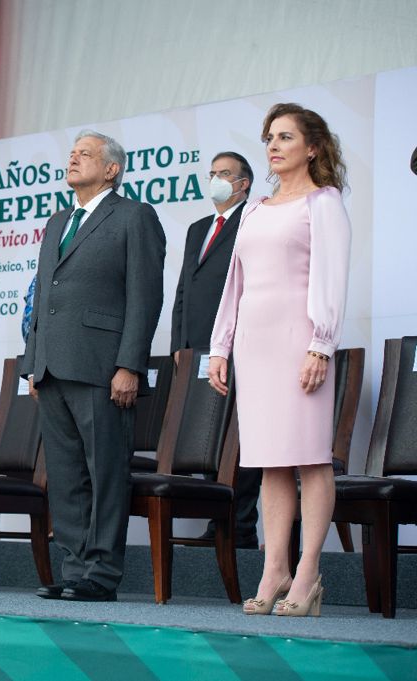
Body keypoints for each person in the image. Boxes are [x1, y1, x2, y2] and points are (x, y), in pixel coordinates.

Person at [209, 103, 350, 617]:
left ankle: (308, 571)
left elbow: (331, 278)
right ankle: (275, 569)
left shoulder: (324, 202)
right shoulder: (254, 207)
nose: (273, 145)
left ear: (312, 147)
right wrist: (221, 346)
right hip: (255, 345)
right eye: (269, 137)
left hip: (300, 342)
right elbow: (235, 284)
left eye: (285, 137)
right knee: (268, 460)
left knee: (310, 456)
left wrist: (321, 344)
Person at [23, 130, 165, 602]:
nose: (73, 158)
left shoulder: (134, 217)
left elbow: (145, 297)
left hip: (103, 368)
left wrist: (130, 366)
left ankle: (101, 575)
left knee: (103, 472)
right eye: (71, 153)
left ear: (111, 169)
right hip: (52, 367)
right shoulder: (57, 221)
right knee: (65, 475)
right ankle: (74, 568)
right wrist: (32, 362)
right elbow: (44, 296)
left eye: (85, 154)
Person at [171, 152, 261, 549]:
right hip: (199, 350)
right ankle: (216, 522)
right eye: (212, 174)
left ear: (243, 183)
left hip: (239, 345)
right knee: (208, 438)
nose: (216, 180)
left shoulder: (256, 219)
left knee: (238, 440)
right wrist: (180, 343)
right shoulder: (197, 229)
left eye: (224, 174)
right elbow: (183, 289)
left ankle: (239, 527)